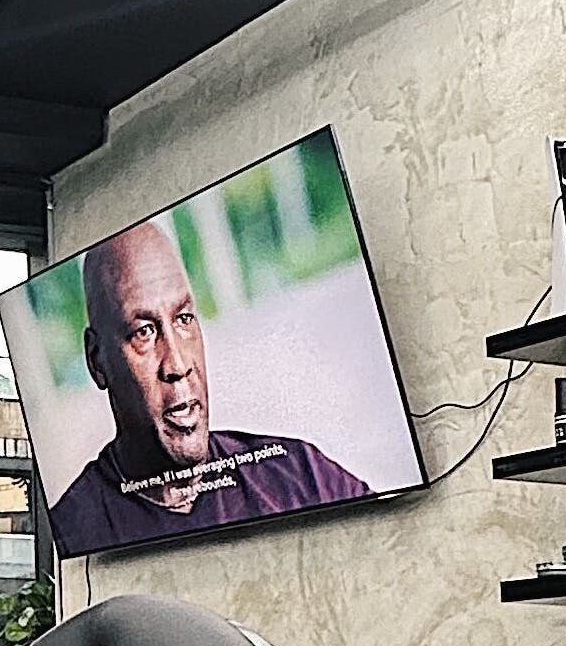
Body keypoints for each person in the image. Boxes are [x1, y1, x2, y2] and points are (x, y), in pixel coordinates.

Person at [52, 220, 368, 552]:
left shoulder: (298, 475)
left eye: (184, 319)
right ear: (97, 361)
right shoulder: (71, 535)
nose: (178, 365)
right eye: (144, 331)